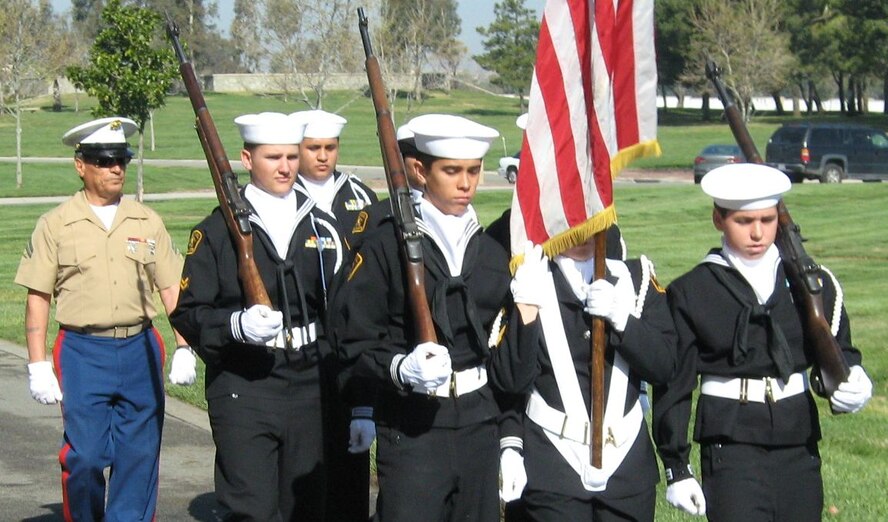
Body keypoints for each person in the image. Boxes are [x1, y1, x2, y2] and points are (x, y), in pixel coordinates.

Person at [653, 163, 873, 521]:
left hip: (797, 439)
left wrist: (855, 379)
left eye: (767, 220)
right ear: (718, 219)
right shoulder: (692, 291)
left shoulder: (809, 283)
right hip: (731, 444)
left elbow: (839, 346)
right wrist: (677, 466)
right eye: (744, 221)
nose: (757, 233)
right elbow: (674, 385)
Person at [334, 114, 512, 521]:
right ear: (420, 171)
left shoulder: (491, 253)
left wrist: (511, 438)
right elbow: (351, 339)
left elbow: (503, 351)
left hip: (479, 422)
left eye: (473, 171)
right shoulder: (385, 245)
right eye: (451, 171)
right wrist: (398, 368)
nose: (465, 183)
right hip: (412, 423)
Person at [14, 116, 191, 521]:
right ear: (81, 165)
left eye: (121, 160)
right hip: (82, 351)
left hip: (139, 346)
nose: (115, 168)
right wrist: (37, 364)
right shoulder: (56, 224)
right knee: (86, 456)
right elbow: (38, 296)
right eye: (104, 161)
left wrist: (185, 345)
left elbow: (170, 287)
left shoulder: (146, 220)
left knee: (139, 454)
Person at [171, 112, 337, 520]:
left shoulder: (322, 225)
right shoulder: (215, 231)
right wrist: (235, 325)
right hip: (244, 383)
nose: (285, 167)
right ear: (247, 159)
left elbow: (345, 310)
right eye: (272, 157)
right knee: (251, 507)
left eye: (291, 157)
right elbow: (188, 312)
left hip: (309, 381)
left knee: (306, 506)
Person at [487, 230, 677, 520]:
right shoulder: (531, 278)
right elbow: (511, 381)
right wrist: (525, 307)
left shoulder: (635, 279)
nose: (583, 231)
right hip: (554, 466)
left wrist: (623, 320)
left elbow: (664, 366)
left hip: (626, 467)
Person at [291, 109, 378, 248]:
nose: (323, 157)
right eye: (314, 148)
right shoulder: (284, 196)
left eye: (330, 148)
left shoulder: (361, 195)